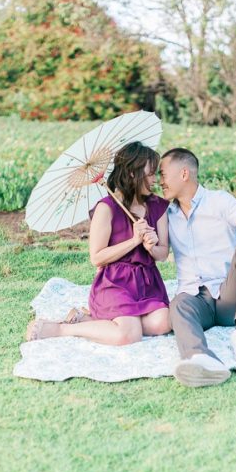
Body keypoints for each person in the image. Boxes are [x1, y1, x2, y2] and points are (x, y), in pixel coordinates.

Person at [25, 141, 172, 345]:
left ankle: (95, 321)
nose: (155, 180)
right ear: (132, 174)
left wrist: (152, 247)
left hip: (148, 282)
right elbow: (97, 257)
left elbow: (163, 254)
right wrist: (134, 241)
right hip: (115, 283)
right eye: (150, 174)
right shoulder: (107, 208)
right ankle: (63, 328)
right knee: (128, 335)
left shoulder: (158, 206)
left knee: (163, 323)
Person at [158, 147, 236, 387]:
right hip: (197, 299)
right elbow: (160, 252)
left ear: (184, 173)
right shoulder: (166, 213)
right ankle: (201, 359)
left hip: (230, 295)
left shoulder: (218, 200)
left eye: (163, 174)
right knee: (178, 304)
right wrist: (143, 236)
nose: (160, 181)